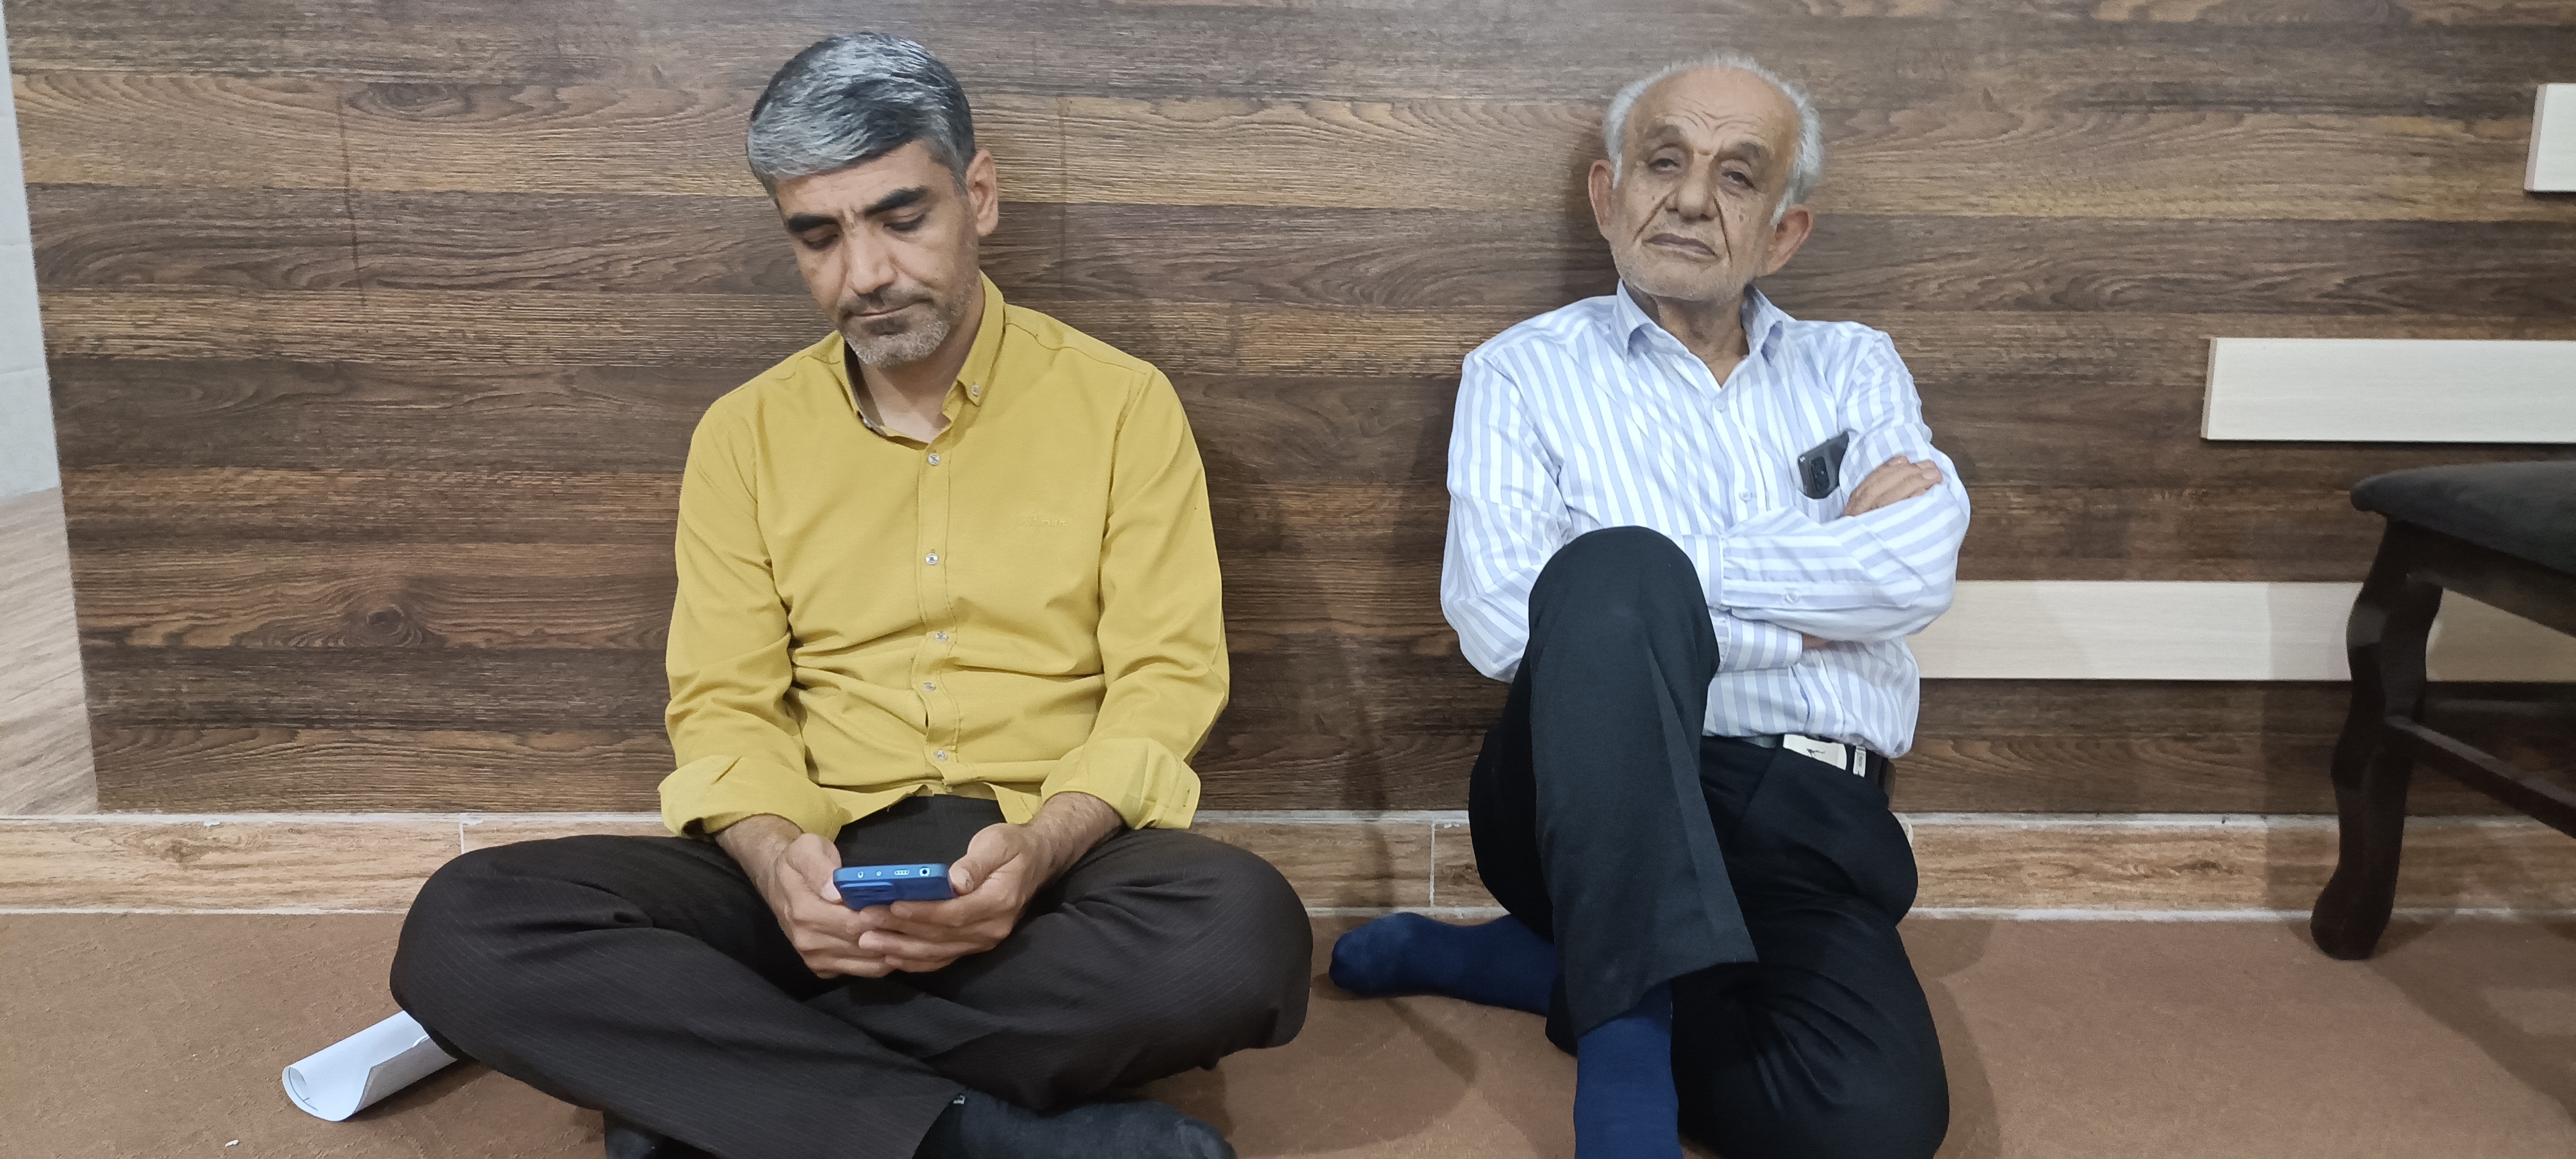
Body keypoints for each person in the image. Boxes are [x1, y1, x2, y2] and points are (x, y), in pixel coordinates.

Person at [390, 34, 1309, 1159]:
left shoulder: (1123, 406)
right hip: (817, 866)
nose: (864, 272)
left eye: (899, 217)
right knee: (465, 927)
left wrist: (1037, 849)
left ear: (978, 195)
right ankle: (968, 1135)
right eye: (818, 236)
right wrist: (777, 859)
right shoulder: (744, 434)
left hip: (1045, 870)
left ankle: (726, 1097)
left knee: (1239, 934)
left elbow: (1165, 683)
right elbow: (724, 703)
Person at [1328, 53, 1966, 1159]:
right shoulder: (1520, 373)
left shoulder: (1855, 367)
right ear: (1607, 193)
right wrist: (1801, 607)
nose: (1691, 198)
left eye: (1737, 176)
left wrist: (1661, 605)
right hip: (1578, 797)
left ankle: (1551, 968)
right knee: (1615, 573)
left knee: (1868, 1125)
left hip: (1807, 810)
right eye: (1664, 163)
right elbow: (1501, 619)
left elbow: (1912, 573)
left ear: (1784, 232)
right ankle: (1621, 1087)